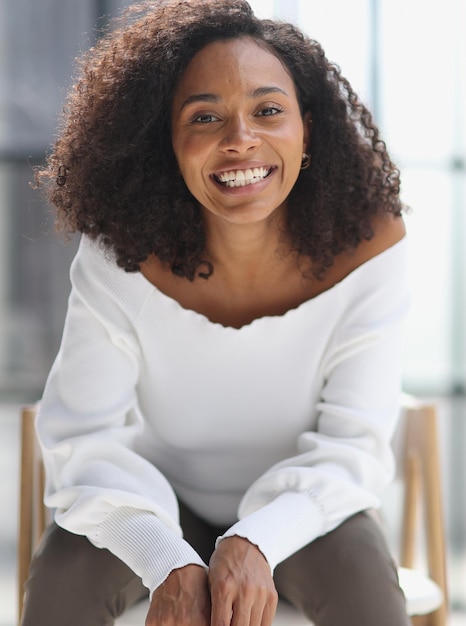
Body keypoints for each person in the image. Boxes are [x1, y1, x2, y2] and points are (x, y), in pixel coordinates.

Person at [22, 1, 411, 625]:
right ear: (166, 143)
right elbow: (85, 439)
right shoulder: (120, 253)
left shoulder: (369, 249)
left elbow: (351, 448)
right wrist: (163, 558)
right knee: (63, 583)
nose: (240, 140)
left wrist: (256, 539)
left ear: (306, 129)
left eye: (268, 110)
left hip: (304, 510)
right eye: (205, 117)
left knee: (367, 594)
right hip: (151, 504)